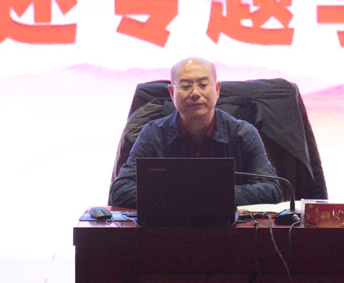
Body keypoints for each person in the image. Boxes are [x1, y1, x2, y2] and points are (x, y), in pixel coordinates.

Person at [110, 57, 282, 208]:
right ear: (172, 93)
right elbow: (120, 190)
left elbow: (271, 189)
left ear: (217, 90)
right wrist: (191, 195)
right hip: (169, 228)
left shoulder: (243, 134)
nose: (195, 93)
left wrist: (203, 195)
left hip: (227, 229)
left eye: (203, 85)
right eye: (185, 86)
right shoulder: (153, 134)